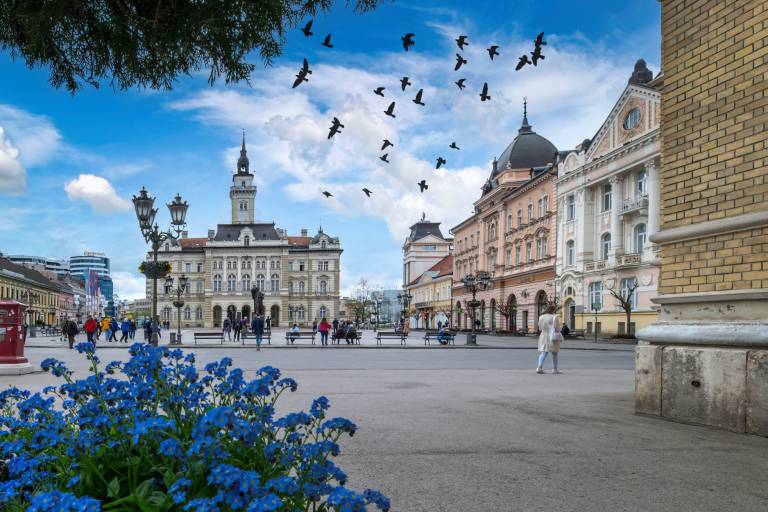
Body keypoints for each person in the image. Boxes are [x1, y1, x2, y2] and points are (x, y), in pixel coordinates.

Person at [536, 305, 562, 374]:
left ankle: (539, 367)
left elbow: (540, 328)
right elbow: (557, 328)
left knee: (544, 352)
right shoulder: (554, 317)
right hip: (552, 336)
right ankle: (554, 369)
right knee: (555, 353)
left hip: (543, 335)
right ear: (553, 310)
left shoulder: (541, 317)